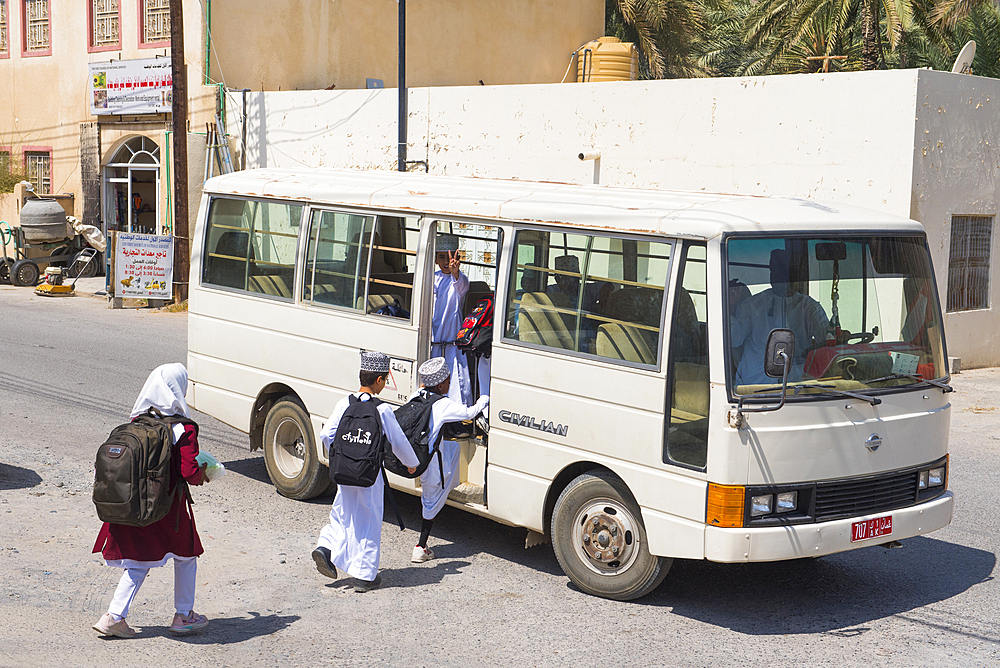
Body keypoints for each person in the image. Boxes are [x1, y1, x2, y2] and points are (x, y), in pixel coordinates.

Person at [92, 363, 209, 638]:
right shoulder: (182, 429)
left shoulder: (135, 425)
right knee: (187, 556)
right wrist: (205, 473)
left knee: (139, 561)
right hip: (168, 510)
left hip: (134, 504)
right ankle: (184, 615)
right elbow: (190, 473)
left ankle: (113, 616)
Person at [311, 351, 419, 593]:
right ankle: (365, 576)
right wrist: (411, 464)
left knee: (341, 514)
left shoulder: (344, 403)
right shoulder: (382, 409)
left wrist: (343, 456)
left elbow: (326, 435)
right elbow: (398, 441)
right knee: (368, 521)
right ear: (379, 380)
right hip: (369, 476)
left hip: (344, 472)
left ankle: (326, 547)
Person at [409, 358, 490, 563]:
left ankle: (447, 487)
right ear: (440, 385)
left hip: (418, 458)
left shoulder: (416, 395)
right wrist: (485, 398)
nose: (449, 384)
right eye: (447, 381)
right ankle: (420, 547)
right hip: (432, 464)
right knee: (430, 503)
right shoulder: (442, 404)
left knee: (453, 448)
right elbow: (469, 413)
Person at [730, 249, 829, 387]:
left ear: (796, 276)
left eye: (787, 274)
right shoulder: (753, 305)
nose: (782, 279)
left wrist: (837, 337)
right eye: (777, 272)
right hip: (754, 383)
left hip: (799, 385)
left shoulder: (809, 307)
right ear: (771, 274)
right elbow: (734, 339)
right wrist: (731, 305)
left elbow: (826, 339)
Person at [431, 233, 473, 406]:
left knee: (455, 381)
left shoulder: (459, 279)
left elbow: (462, 288)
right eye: (442, 257)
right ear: (435, 259)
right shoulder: (430, 278)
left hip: (451, 341)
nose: (447, 262)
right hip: (433, 340)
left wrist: (456, 273)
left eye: (451, 257)